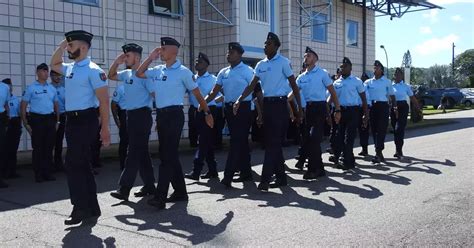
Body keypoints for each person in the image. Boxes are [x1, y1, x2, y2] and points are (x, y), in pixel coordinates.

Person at [136, 37, 214, 210]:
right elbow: (139, 73)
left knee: (166, 156)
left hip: (175, 116)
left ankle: (160, 196)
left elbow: (198, 93)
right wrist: (150, 58)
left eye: (163, 49)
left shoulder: (184, 72)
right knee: (169, 155)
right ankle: (180, 192)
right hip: (162, 116)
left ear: (173, 51)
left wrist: (207, 112)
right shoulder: (158, 70)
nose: (160, 52)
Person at [50, 30, 111, 225]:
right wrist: (61, 47)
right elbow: (54, 64)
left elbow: (104, 101)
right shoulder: (71, 68)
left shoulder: (94, 70)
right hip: (72, 120)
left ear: (83, 47)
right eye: (67, 45)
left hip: (86, 120)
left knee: (73, 162)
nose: (68, 48)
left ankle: (80, 208)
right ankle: (92, 207)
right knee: (83, 163)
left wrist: (105, 129)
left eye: (71, 45)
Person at [234, 32, 304, 191]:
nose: (265, 46)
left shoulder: (284, 62)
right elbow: (252, 85)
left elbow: (294, 86)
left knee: (272, 143)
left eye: (268, 44)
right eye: (265, 44)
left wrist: (299, 108)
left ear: (276, 46)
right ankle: (281, 178)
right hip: (267, 106)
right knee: (273, 143)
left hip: (280, 105)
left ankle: (265, 179)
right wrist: (240, 99)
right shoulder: (260, 65)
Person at [108, 43, 156, 201]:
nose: (125, 58)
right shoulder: (127, 74)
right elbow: (111, 75)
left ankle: (124, 188)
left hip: (142, 115)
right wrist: (117, 61)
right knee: (141, 153)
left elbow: (155, 94)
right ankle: (150, 186)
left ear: (137, 57)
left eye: (127, 55)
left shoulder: (144, 75)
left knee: (133, 151)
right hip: (130, 115)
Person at [205, 42, 255, 188]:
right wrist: (204, 103)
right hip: (229, 109)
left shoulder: (247, 71)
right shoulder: (223, 72)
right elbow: (214, 92)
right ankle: (246, 174)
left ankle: (228, 176)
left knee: (236, 142)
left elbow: (254, 89)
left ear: (239, 55)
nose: (228, 54)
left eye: (232, 52)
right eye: (228, 52)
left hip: (243, 108)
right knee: (241, 142)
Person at [291, 47, 341, 179]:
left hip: (320, 108)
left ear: (315, 58)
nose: (305, 57)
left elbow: (332, 92)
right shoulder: (301, 77)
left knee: (314, 138)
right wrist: (287, 103)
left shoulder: (322, 73)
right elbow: (293, 93)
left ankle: (313, 169)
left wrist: (337, 109)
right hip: (308, 109)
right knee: (309, 139)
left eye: (308, 55)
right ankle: (320, 169)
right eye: (305, 56)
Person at [20, 63, 59, 183]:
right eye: (43, 71)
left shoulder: (52, 88)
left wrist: (57, 121)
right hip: (37, 120)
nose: (46, 73)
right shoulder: (31, 88)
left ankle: (48, 172)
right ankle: (38, 174)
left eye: (47, 71)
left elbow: (56, 105)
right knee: (38, 148)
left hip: (49, 119)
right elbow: (23, 105)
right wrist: (25, 122)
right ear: (37, 73)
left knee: (48, 147)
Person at [185, 52, 219, 180]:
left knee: (203, 141)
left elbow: (221, 95)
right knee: (207, 141)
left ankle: (196, 171)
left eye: (200, 61)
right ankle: (213, 170)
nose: (196, 63)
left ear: (206, 64)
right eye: (196, 61)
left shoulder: (213, 79)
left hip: (209, 111)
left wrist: (208, 103)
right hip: (195, 111)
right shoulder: (192, 78)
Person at [330, 57, 369, 170]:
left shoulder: (357, 81)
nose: (342, 68)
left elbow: (363, 99)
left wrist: (366, 114)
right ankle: (350, 160)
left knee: (349, 138)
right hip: (340, 111)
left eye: (345, 66)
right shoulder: (336, 82)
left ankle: (345, 161)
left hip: (353, 111)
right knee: (340, 137)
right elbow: (333, 98)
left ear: (350, 68)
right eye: (341, 66)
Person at [365, 60, 396, 163]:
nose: (375, 70)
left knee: (381, 129)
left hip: (383, 106)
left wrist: (395, 107)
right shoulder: (368, 82)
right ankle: (378, 152)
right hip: (372, 107)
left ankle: (378, 152)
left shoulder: (387, 82)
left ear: (381, 70)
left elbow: (392, 95)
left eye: (377, 68)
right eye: (374, 68)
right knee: (374, 130)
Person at [391, 68, 420, 158]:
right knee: (395, 129)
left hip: (403, 107)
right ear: (394, 76)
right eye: (396, 74)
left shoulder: (405, 86)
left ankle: (399, 150)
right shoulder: (390, 86)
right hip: (393, 107)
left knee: (399, 128)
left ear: (402, 76)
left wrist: (418, 107)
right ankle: (397, 149)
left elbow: (412, 97)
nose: (397, 76)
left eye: (399, 74)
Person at [3, 78, 22, 179]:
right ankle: (5, 171)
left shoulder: (15, 98)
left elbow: (19, 112)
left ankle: (12, 171)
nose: (9, 88)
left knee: (14, 149)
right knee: (6, 149)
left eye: (10, 86)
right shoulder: (2, 99)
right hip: (7, 124)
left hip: (15, 123)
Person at [50, 70, 66, 171]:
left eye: (59, 75)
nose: (58, 77)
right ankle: (48, 164)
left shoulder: (64, 89)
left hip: (63, 115)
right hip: (51, 116)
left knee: (59, 141)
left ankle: (58, 163)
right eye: (55, 75)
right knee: (50, 141)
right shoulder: (48, 88)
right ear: (51, 76)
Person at [110, 79, 128, 170]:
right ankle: (123, 164)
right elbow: (113, 104)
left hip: (135, 114)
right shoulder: (120, 88)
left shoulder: (138, 87)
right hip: (124, 115)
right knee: (124, 141)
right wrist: (117, 120)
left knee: (136, 141)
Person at [357, 72, 371, 157]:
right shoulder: (358, 86)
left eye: (364, 78)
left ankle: (364, 149)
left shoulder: (365, 87)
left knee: (364, 129)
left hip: (364, 108)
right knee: (360, 129)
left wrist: (367, 113)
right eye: (362, 78)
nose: (363, 79)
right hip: (356, 109)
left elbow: (367, 100)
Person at [0, 78, 10, 188]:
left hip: (1, 118)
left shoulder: (5, 87)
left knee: (1, 148)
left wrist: (7, 118)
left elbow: (6, 104)